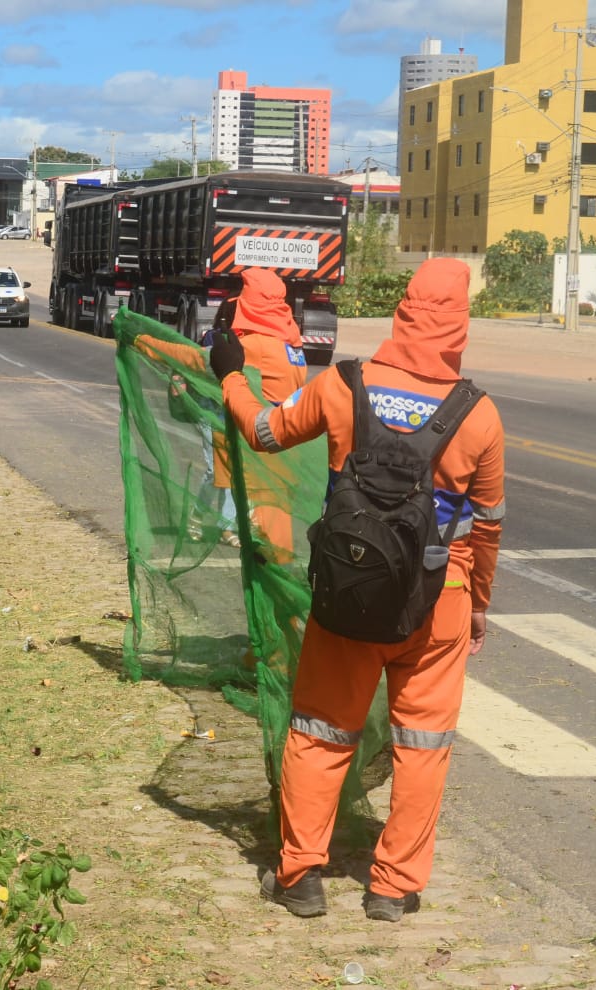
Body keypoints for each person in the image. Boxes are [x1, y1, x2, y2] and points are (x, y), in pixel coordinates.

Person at [210, 258, 506, 923]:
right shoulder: (480, 416)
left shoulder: (344, 385)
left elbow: (263, 432)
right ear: (460, 323)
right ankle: (393, 888)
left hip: (349, 593)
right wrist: (478, 603)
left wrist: (230, 371)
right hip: (441, 602)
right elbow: (486, 527)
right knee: (423, 744)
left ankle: (300, 877)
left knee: (319, 730)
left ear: (403, 310)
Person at [207, 269, 309, 557]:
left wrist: (144, 342)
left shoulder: (255, 345)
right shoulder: (292, 342)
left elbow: (206, 362)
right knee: (278, 534)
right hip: (285, 444)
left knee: (269, 550)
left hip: (262, 448)